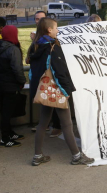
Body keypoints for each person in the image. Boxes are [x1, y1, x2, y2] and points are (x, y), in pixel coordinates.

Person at [30, 17, 94, 165]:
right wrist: (67, 90)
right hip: (57, 89)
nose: (58, 30)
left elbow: (34, 72)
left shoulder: (35, 46)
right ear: (49, 30)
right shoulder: (53, 47)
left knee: (42, 124)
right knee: (66, 124)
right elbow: (60, 71)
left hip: (44, 90)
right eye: (56, 28)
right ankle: (76, 156)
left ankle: (37, 156)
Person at [28, 11, 62, 137]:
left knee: (56, 106)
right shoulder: (38, 42)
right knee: (47, 105)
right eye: (37, 19)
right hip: (42, 79)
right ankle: (47, 126)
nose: (38, 21)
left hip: (52, 80)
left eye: (41, 19)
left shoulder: (52, 43)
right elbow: (31, 58)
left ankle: (56, 126)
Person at [0, 25, 26, 147]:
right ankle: (5, 138)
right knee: (7, 112)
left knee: (4, 110)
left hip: (0, 82)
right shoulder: (13, 49)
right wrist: (22, 81)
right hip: (10, 84)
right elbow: (17, 69)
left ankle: (9, 133)